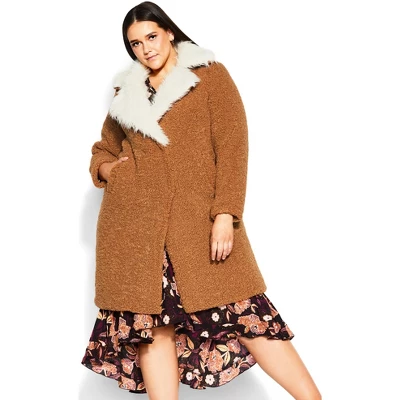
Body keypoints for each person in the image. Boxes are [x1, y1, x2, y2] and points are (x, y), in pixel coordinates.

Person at [81, 2, 321, 399]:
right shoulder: (127, 92)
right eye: (136, 43)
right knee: (152, 328)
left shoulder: (208, 76)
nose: (146, 49)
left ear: (169, 32)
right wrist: (108, 170)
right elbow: (103, 148)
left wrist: (226, 213)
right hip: (134, 231)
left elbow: (233, 147)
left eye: (151, 37)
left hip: (194, 221)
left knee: (247, 313)